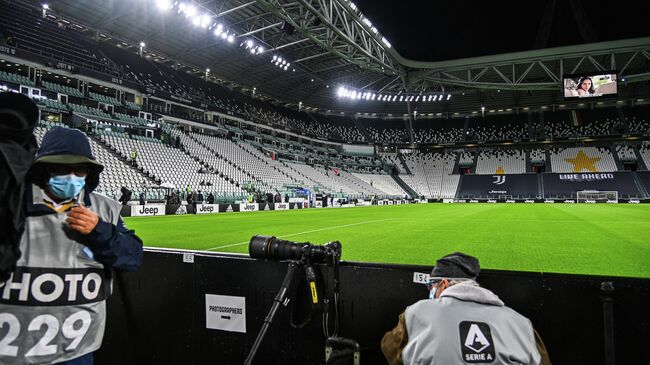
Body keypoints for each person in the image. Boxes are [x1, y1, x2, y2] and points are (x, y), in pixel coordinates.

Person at [1, 126, 143, 365]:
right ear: (42, 170)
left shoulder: (105, 209)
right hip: (11, 353)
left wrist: (100, 231)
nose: (71, 176)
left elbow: (132, 257)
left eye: (79, 169)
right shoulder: (9, 204)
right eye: (60, 168)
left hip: (77, 351)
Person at [381, 252, 550, 365]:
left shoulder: (415, 314)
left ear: (444, 283)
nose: (430, 292)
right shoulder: (520, 323)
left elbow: (390, 350)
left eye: (431, 287)